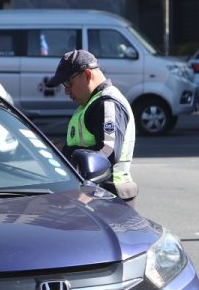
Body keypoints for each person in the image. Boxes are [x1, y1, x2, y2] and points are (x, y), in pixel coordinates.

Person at [44, 49, 138, 204]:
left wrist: (64, 153)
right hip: (96, 194)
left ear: (87, 75)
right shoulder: (91, 103)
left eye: (68, 83)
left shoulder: (107, 103)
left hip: (108, 196)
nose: (66, 91)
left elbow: (108, 153)